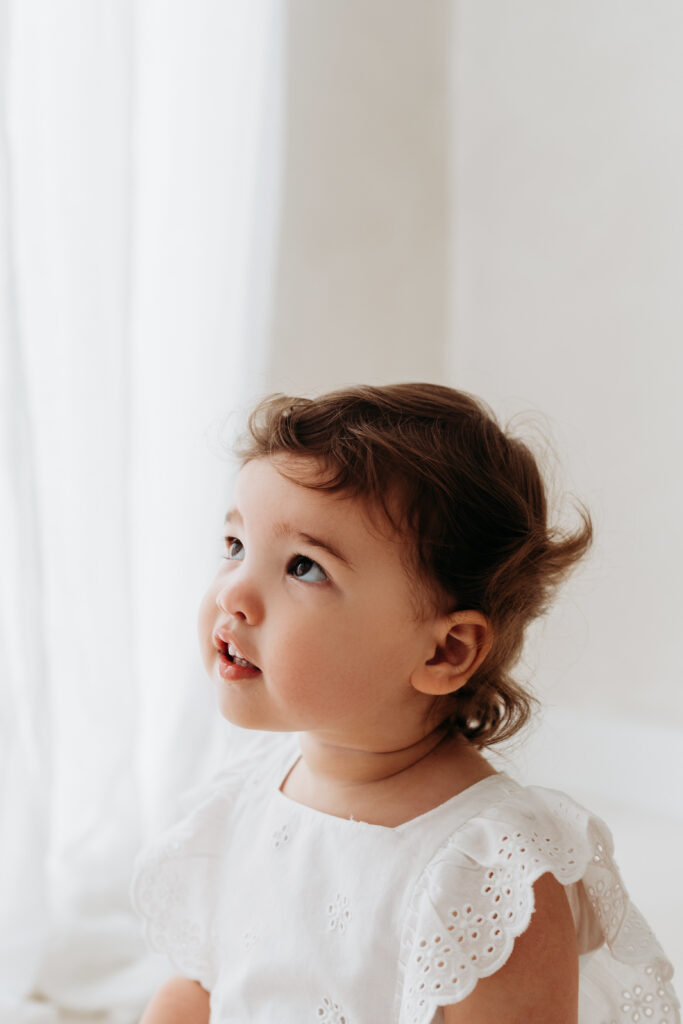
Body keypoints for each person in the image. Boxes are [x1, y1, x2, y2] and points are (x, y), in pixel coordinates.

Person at [131, 383, 680, 1024]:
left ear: (445, 652)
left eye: (304, 567)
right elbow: (201, 989)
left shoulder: (488, 873)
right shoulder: (246, 800)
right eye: (236, 547)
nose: (234, 594)